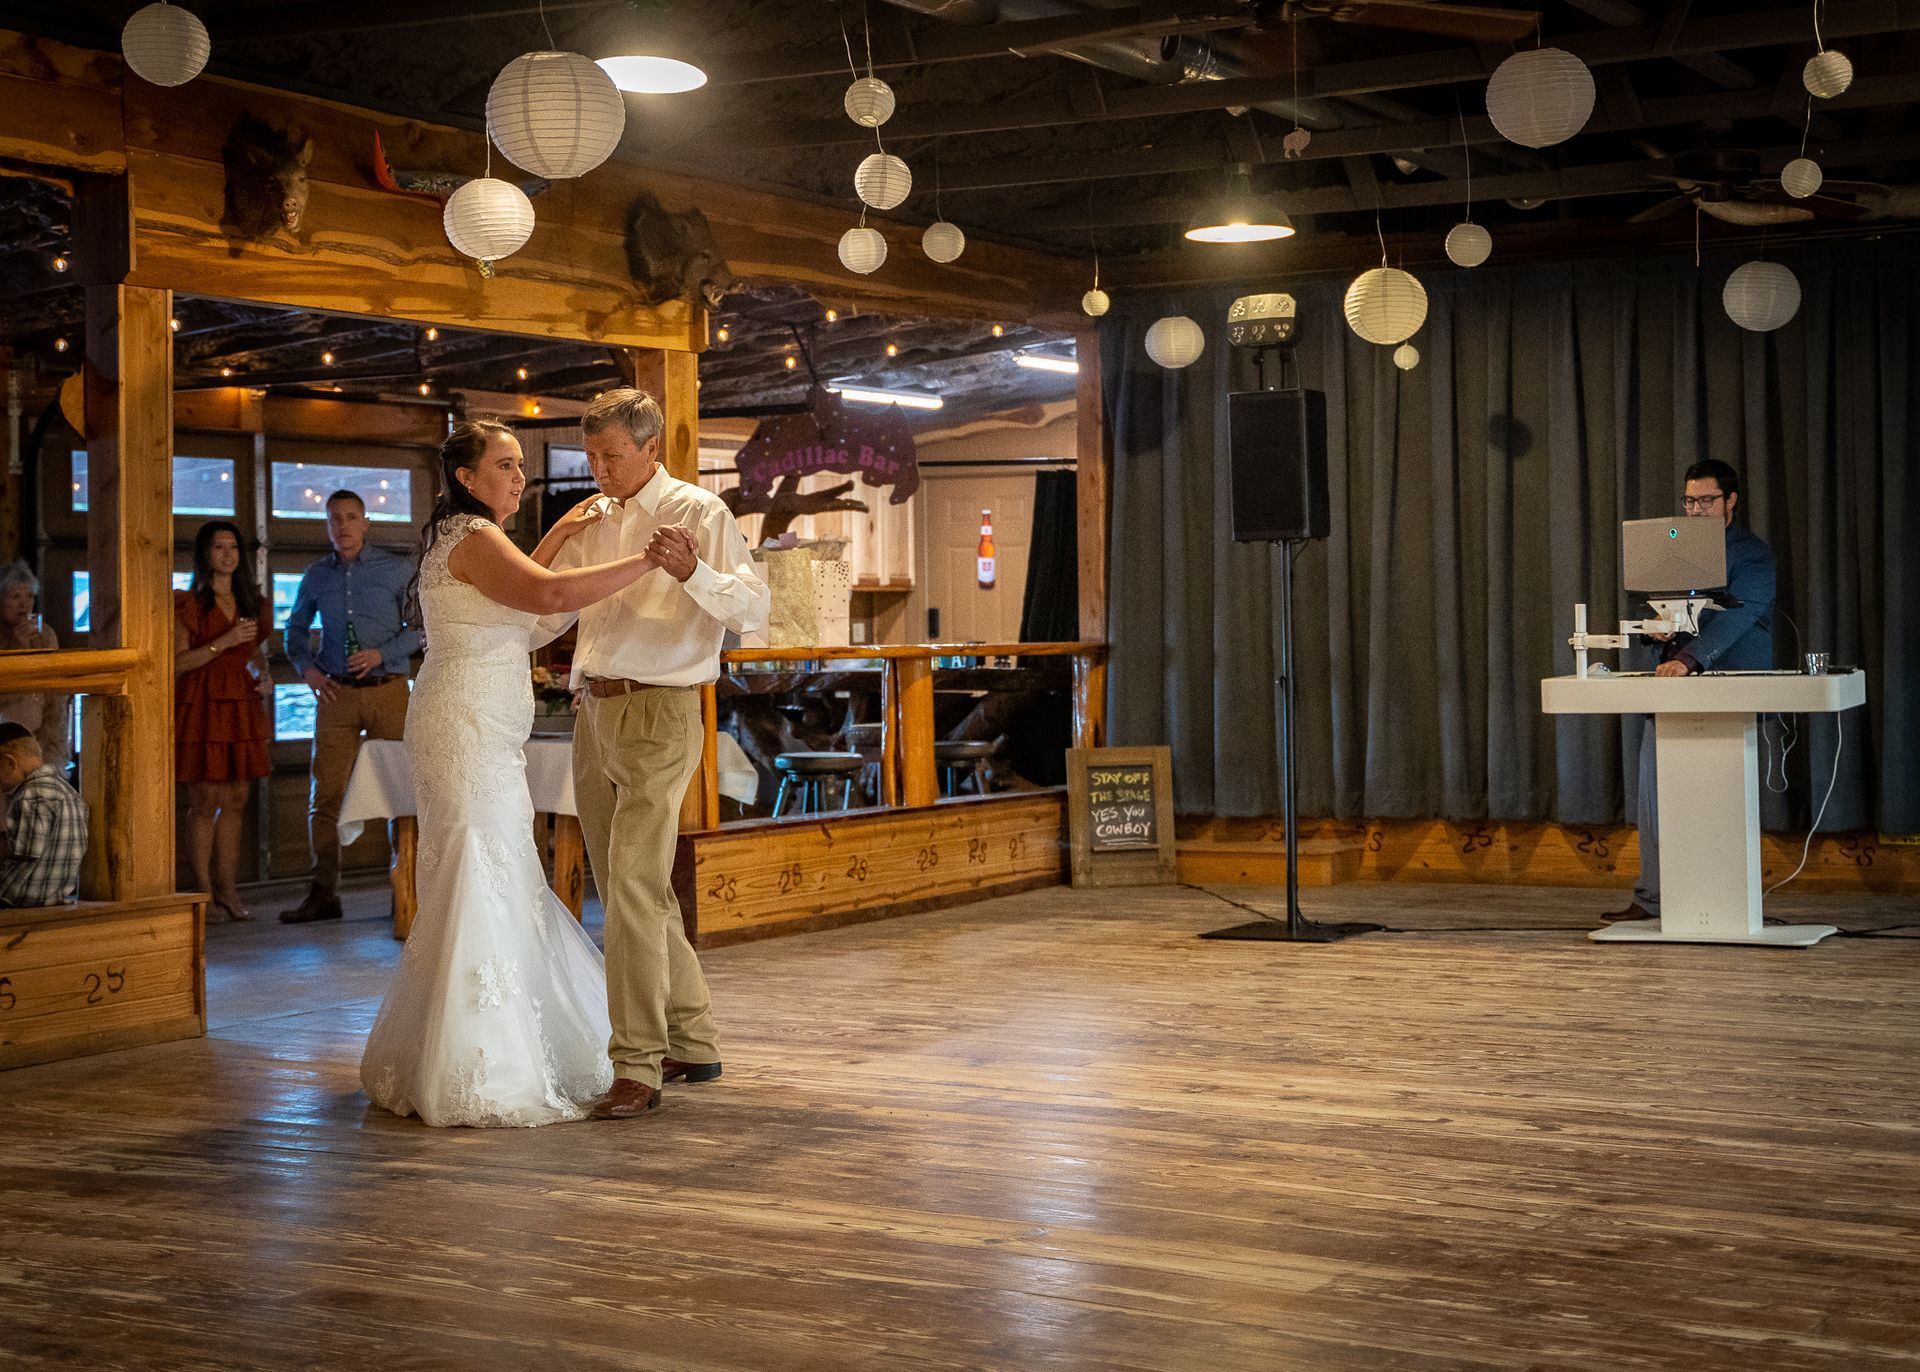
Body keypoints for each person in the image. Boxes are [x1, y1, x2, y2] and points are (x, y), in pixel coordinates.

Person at [359, 420, 665, 1127]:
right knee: (478, 867)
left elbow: (532, 627)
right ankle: (475, 1062)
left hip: (484, 729)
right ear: (467, 478)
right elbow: (551, 599)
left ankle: (488, 1042)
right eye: (505, 464)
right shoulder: (472, 537)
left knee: (497, 868)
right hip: (463, 727)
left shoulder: (472, 538)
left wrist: (554, 539)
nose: (518, 475)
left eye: (521, 464)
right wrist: (650, 560)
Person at [547, 388, 770, 1121]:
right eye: (591, 456)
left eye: (611, 455)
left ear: (651, 449)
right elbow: (549, 605)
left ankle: (636, 1064)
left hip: (661, 710)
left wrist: (691, 574)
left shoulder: (699, 514)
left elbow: (754, 612)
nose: (600, 468)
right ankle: (694, 1040)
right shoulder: (593, 516)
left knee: (637, 889)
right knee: (627, 889)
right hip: (593, 709)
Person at [1608, 458, 1776, 923]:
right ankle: (1653, 899)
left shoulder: (1753, 555)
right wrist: (1655, 630)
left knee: (1720, 803)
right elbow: (1654, 606)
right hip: (1671, 688)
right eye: (1690, 500)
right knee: (1654, 795)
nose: (1697, 509)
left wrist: (1689, 658)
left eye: (1706, 500)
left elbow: (1741, 616)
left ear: (1731, 501)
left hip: (1728, 686)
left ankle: (1725, 903)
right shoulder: (1673, 549)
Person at [280, 490, 420, 924]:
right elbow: (295, 629)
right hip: (335, 696)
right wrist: (307, 669)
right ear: (327, 526)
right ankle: (324, 892)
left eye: (350, 518)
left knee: (401, 791)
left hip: (389, 690)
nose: (342, 526)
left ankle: (407, 890)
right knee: (326, 795)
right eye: (334, 519)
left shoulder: (396, 570)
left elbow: (421, 628)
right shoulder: (316, 576)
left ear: (365, 523)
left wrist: (381, 654)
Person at [174, 522, 275, 922]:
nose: (227, 554)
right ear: (205, 554)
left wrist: (263, 675)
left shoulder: (252, 601)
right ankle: (201, 891)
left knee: (236, 798)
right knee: (204, 799)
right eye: (218, 547)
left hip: (241, 704)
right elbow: (178, 663)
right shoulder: (189, 603)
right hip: (202, 703)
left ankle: (228, 889)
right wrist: (222, 643)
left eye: (233, 547)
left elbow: (254, 654)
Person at [0, 721, 87, 907]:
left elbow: (27, 848)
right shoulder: (68, 791)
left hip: (19, 899)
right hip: (56, 897)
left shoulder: (30, 794)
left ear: (10, 762)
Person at [0, 561, 72, 774]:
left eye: (29, 596)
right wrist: (17, 646)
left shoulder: (45, 634)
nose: (24, 604)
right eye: (15, 597)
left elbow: (54, 684)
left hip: (42, 734)